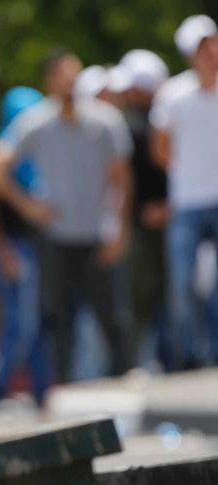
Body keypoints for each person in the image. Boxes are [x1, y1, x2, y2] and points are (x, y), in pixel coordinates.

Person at [0, 49, 133, 384]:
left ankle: (124, 377)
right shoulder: (35, 122)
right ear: (50, 81)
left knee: (112, 313)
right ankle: (64, 384)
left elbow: (122, 180)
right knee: (57, 314)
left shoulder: (105, 120)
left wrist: (119, 229)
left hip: (97, 232)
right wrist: (28, 206)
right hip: (56, 234)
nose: (70, 83)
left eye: (74, 75)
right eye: (62, 76)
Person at [150, 15, 218, 369]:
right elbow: (159, 147)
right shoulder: (173, 95)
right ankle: (190, 356)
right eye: (201, 47)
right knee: (182, 283)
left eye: (212, 43)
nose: (209, 52)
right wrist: (188, 171)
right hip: (188, 202)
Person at [0, 86, 51, 404]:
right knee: (20, 321)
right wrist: (3, 250)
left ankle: (41, 390)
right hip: (11, 248)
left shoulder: (32, 150)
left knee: (35, 321)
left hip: (33, 246)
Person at [111, 50, 172, 369]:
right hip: (148, 221)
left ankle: (147, 362)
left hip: (152, 221)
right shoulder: (157, 120)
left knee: (147, 300)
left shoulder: (140, 125)